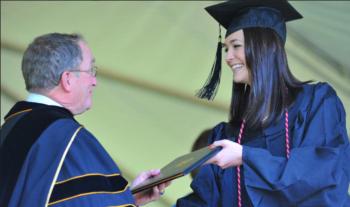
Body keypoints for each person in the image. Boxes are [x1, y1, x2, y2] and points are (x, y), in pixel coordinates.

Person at [177, 0, 350, 206]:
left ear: (264, 46)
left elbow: (321, 174)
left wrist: (246, 157)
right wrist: (133, 198)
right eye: (226, 49)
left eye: (236, 46)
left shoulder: (316, 103)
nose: (229, 57)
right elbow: (204, 200)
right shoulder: (229, 136)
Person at [0, 33, 169, 207]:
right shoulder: (68, 138)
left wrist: (128, 198)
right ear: (67, 80)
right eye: (90, 70)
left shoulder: (8, 130)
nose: (94, 81)